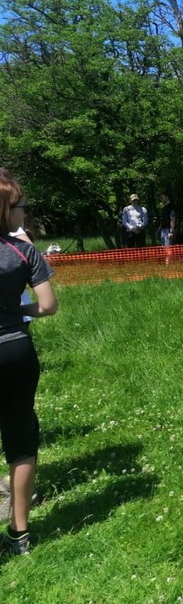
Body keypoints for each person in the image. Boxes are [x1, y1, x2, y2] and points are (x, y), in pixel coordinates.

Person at [0, 169, 58, 556]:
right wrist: (16, 309)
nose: (24, 212)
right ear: (5, 210)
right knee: (21, 438)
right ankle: (19, 534)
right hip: (15, 348)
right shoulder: (24, 250)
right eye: (21, 206)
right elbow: (48, 305)